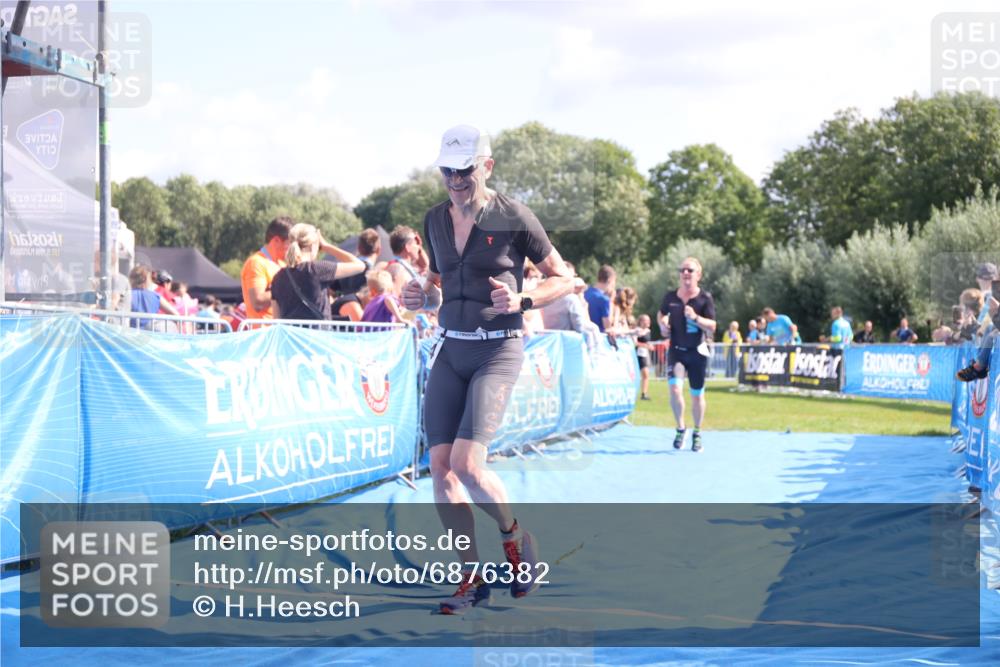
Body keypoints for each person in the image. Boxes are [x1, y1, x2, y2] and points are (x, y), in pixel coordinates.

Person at [401, 125, 573, 614]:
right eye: (448, 170)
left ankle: (517, 542)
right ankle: (471, 579)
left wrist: (523, 297)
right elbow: (438, 285)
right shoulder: (435, 220)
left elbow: (565, 277)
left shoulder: (515, 216)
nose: (456, 179)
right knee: (439, 468)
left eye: (465, 170)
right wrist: (420, 297)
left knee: (467, 465)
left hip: (498, 350)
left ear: (487, 167)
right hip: (451, 350)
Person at [657, 257, 717, 452]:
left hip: (698, 352)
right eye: (682, 270)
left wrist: (696, 318)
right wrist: (662, 324)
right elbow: (661, 313)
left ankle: (697, 432)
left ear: (698, 275)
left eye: (690, 270)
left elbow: (713, 325)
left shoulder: (704, 298)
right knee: (675, 389)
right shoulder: (671, 297)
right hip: (677, 351)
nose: (685, 273)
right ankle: (680, 427)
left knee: (697, 396)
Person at [270, 223, 366, 320]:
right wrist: (326, 246)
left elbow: (276, 318)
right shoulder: (317, 269)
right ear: (313, 246)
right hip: (317, 334)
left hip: (290, 335)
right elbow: (360, 265)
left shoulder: (278, 277)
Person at [241, 216, 294, 320]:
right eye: (289, 244)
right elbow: (258, 302)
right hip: (264, 332)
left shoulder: (282, 264)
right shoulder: (256, 263)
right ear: (276, 240)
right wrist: (289, 288)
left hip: (279, 330)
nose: (292, 249)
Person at [584, 265, 616, 332]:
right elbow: (607, 326)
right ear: (610, 280)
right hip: (598, 336)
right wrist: (611, 302)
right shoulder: (604, 299)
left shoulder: (584, 292)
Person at [636, 313, 653, 399]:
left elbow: (647, 342)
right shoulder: (637, 330)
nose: (648, 322)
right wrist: (646, 346)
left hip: (645, 354)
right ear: (641, 321)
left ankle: (644, 393)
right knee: (641, 374)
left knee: (646, 375)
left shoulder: (648, 331)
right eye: (646, 320)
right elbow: (635, 343)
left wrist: (650, 346)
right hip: (638, 354)